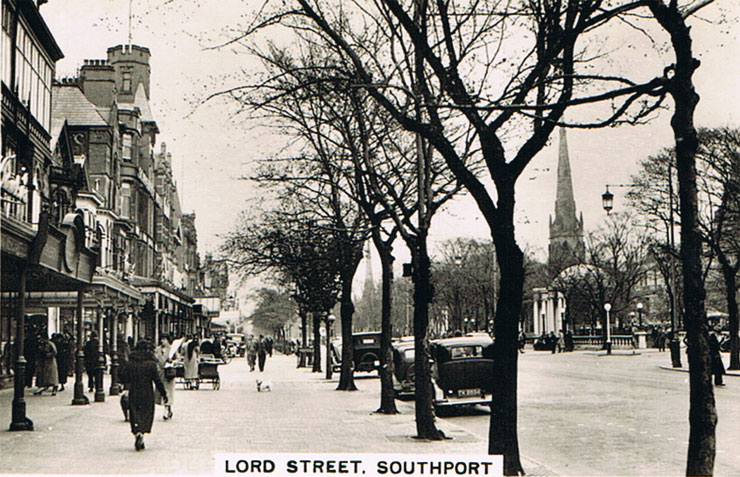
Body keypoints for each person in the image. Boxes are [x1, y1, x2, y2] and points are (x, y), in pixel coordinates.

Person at [119, 339, 168, 451]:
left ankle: (137, 432)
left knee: (135, 412)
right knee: (146, 414)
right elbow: (157, 381)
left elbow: (123, 377)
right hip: (147, 393)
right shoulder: (151, 364)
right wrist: (164, 393)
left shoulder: (131, 363)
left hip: (134, 391)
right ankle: (142, 432)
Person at [154, 335, 175, 420]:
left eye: (164, 339)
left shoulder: (172, 349)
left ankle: (166, 411)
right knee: (162, 392)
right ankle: (168, 409)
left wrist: (172, 361)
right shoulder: (157, 350)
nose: (162, 341)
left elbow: (177, 359)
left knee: (168, 392)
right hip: (160, 373)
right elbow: (155, 360)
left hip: (169, 374)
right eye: (161, 339)